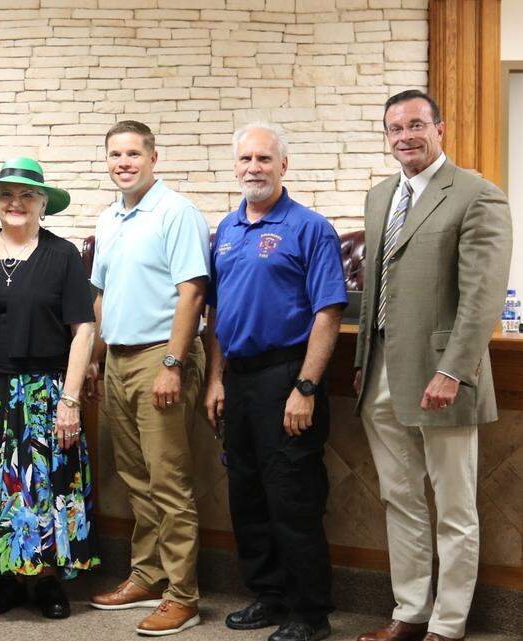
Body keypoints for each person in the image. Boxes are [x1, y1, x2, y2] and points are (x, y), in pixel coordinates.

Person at [352, 90, 512, 641]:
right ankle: (409, 612)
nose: (405, 136)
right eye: (395, 128)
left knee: (453, 506)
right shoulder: (379, 198)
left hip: (441, 377)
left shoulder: (476, 194)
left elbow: (482, 297)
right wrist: (361, 362)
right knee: (399, 500)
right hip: (380, 376)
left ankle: (448, 624)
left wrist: (452, 370)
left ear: (440, 128)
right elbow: (375, 289)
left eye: (416, 124)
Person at [203, 123, 346, 641]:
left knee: (293, 498)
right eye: (245, 160)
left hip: (287, 376)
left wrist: (305, 389)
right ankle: (269, 595)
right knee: (247, 495)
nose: (253, 168)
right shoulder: (226, 229)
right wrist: (216, 378)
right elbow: (218, 311)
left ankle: (310, 612)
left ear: (283, 165)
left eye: (264, 159)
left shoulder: (310, 228)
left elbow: (328, 313)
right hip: (238, 380)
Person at [0, 157, 98, 620]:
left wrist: (70, 399)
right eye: (7, 195)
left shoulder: (63, 255)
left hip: (45, 392)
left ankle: (48, 581)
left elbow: (84, 331)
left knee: (47, 484)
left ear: (42, 204)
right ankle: (4, 579)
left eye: (27, 195)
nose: (16, 203)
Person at [85, 121, 210, 636]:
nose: (124, 163)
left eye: (133, 153)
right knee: (135, 478)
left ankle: (184, 595)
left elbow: (193, 292)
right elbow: (100, 294)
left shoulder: (175, 212)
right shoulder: (110, 217)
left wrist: (173, 364)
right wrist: (96, 356)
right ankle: (148, 575)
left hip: (162, 357)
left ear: (154, 158)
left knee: (169, 481)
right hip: (117, 359)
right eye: (115, 154)